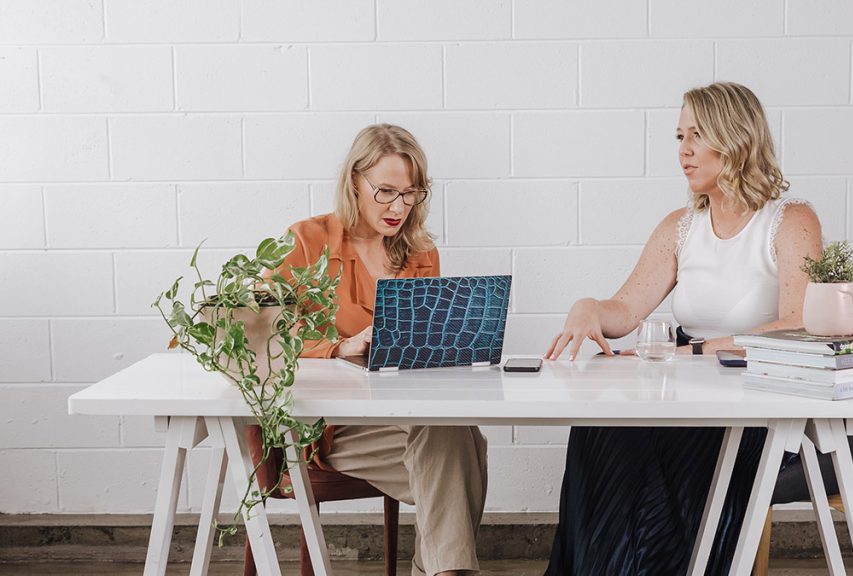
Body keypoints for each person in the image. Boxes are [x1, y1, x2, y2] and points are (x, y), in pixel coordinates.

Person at [543, 82, 823, 574]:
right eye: (679, 137)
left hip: (758, 401)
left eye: (696, 135)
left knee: (656, 446)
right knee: (599, 428)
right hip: (686, 388)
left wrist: (698, 352)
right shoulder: (681, 226)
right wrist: (588, 307)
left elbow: (799, 323)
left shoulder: (790, 220)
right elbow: (626, 310)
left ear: (734, 139)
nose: (683, 151)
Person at [276, 124, 487, 576]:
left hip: (404, 415)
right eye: (386, 191)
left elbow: (424, 352)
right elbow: (261, 331)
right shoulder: (307, 241)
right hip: (334, 427)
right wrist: (337, 346)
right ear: (355, 181)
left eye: (411, 193)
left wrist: (458, 344)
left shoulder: (420, 252)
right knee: (461, 455)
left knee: (455, 433)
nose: (398, 207)